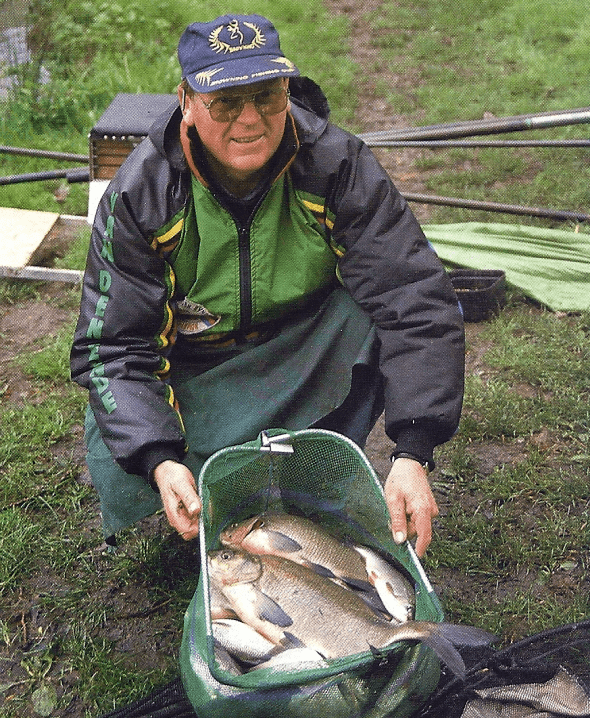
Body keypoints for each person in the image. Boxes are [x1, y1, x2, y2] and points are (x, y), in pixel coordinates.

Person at [70, 14, 464, 557]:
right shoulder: (141, 194)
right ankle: (192, 479)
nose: (251, 120)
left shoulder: (337, 164)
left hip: (295, 347)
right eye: (226, 102)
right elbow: (113, 348)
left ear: (287, 90)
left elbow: (415, 299)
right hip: (194, 364)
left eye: (268, 96)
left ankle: (313, 470)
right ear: (187, 100)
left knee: (364, 313)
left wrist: (413, 451)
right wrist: (159, 459)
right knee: (121, 416)